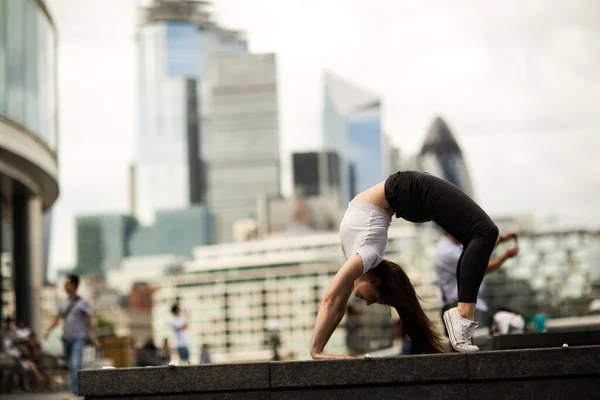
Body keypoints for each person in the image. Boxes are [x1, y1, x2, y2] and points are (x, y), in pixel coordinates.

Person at [310, 171, 500, 358]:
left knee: (483, 234)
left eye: (374, 298)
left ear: (375, 282)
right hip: (408, 196)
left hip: (408, 189)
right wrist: (319, 349)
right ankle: (462, 316)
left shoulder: (366, 256)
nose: (367, 302)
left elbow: (333, 301)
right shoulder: (361, 259)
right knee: (481, 234)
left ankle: (463, 316)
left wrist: (316, 350)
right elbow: (336, 305)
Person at [436, 231, 520, 334]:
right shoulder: (447, 252)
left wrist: (502, 239)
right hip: (458, 309)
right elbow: (478, 269)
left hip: (467, 306)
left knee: (478, 343)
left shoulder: (454, 246)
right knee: (472, 345)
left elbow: (479, 254)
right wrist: (505, 256)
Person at [43, 274, 99, 395]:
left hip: (79, 337)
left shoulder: (83, 303)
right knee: (70, 365)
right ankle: (76, 388)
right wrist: (48, 330)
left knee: (75, 364)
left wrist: (95, 338)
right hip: (66, 338)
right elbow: (56, 318)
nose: (65, 286)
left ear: (74, 285)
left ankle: (75, 391)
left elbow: (90, 321)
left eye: (67, 284)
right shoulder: (63, 303)